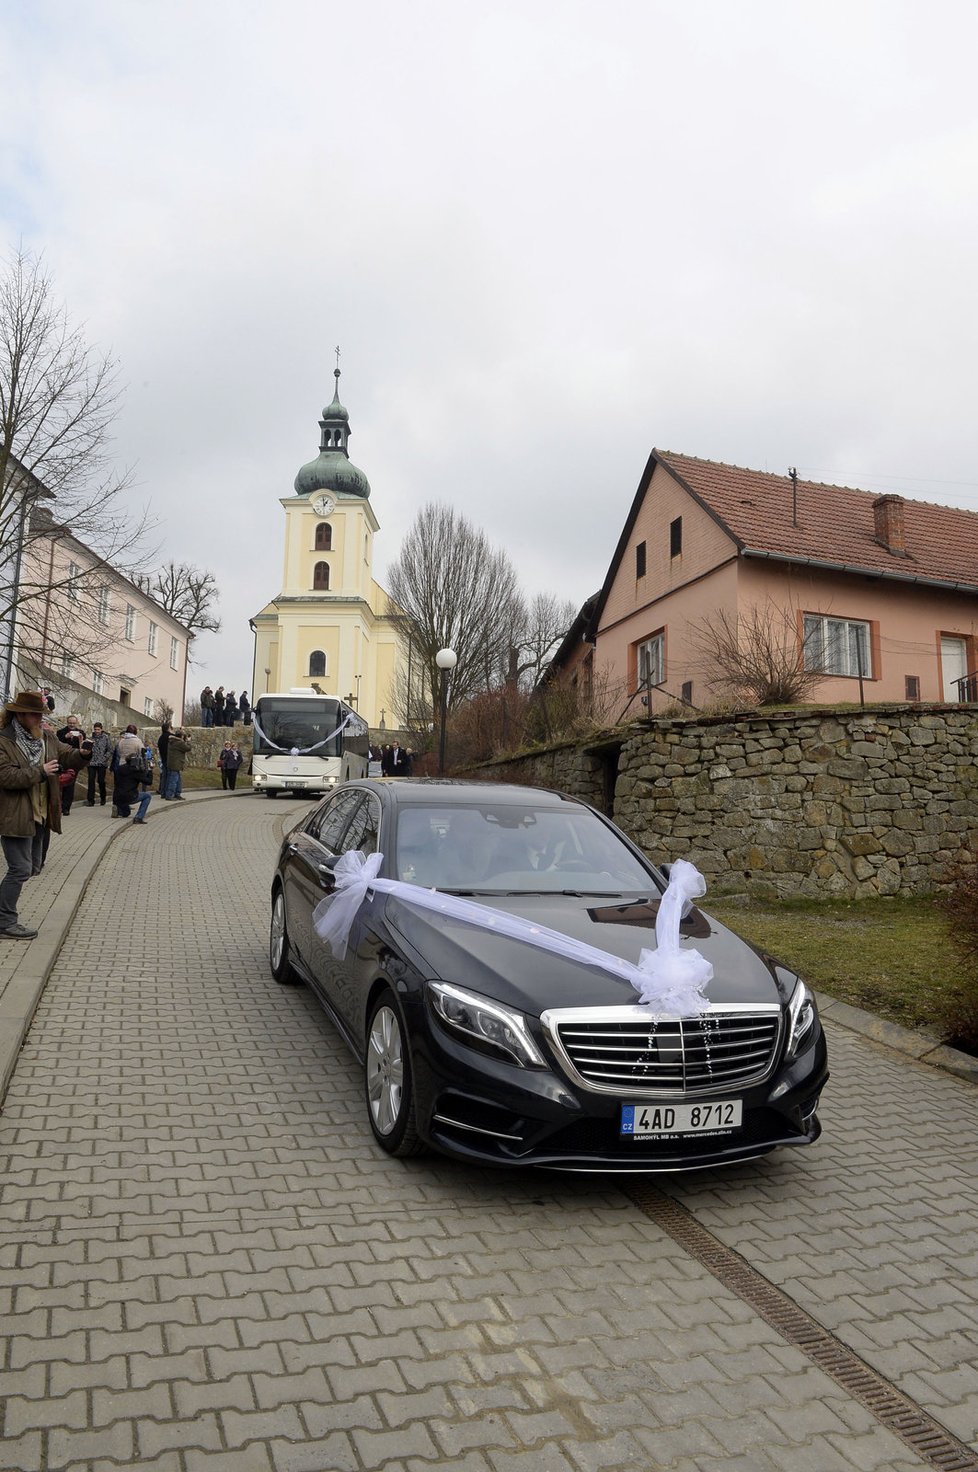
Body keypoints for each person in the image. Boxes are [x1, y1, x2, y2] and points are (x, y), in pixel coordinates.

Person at [0, 691, 90, 938]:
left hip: (41, 815)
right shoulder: (4, 741)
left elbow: (66, 755)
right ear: (19, 715)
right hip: (16, 815)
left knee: (29, 868)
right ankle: (5, 922)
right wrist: (40, 771)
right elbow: (6, 777)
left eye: (41, 714)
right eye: (35, 714)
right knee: (20, 869)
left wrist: (82, 754)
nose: (40, 718)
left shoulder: (46, 738)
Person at [113, 726, 152, 823]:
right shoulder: (137, 741)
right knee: (147, 795)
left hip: (122, 765)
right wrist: (149, 770)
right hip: (133, 772)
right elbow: (142, 752)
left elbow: (119, 751)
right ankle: (139, 817)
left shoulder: (121, 741)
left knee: (122, 785)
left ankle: (120, 809)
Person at [56, 715, 85, 815]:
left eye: (73, 723)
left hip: (75, 762)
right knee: (61, 783)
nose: (72, 725)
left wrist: (81, 740)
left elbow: (84, 748)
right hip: (63, 761)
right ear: (67, 722)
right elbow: (56, 744)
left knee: (71, 784)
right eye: (70, 723)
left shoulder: (81, 733)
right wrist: (65, 737)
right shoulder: (61, 732)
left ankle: (66, 807)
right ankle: (59, 806)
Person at [83, 722, 113, 805]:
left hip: (101, 763)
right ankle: (90, 800)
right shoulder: (90, 738)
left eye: (98, 729)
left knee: (101, 781)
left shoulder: (106, 738)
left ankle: (103, 797)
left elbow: (110, 750)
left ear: (101, 729)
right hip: (91, 763)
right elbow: (85, 749)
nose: (97, 731)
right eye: (95, 729)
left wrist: (104, 758)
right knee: (91, 781)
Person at [164, 728, 190, 800]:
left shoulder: (172, 741)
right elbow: (188, 748)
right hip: (176, 764)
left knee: (177, 780)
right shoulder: (179, 743)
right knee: (173, 780)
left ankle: (177, 793)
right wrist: (188, 741)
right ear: (181, 736)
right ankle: (170, 795)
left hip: (172, 763)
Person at [157, 719, 172, 795]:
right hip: (169, 759)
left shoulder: (160, 738)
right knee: (169, 777)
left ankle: (162, 791)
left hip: (163, 758)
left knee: (163, 776)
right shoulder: (169, 736)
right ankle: (167, 792)